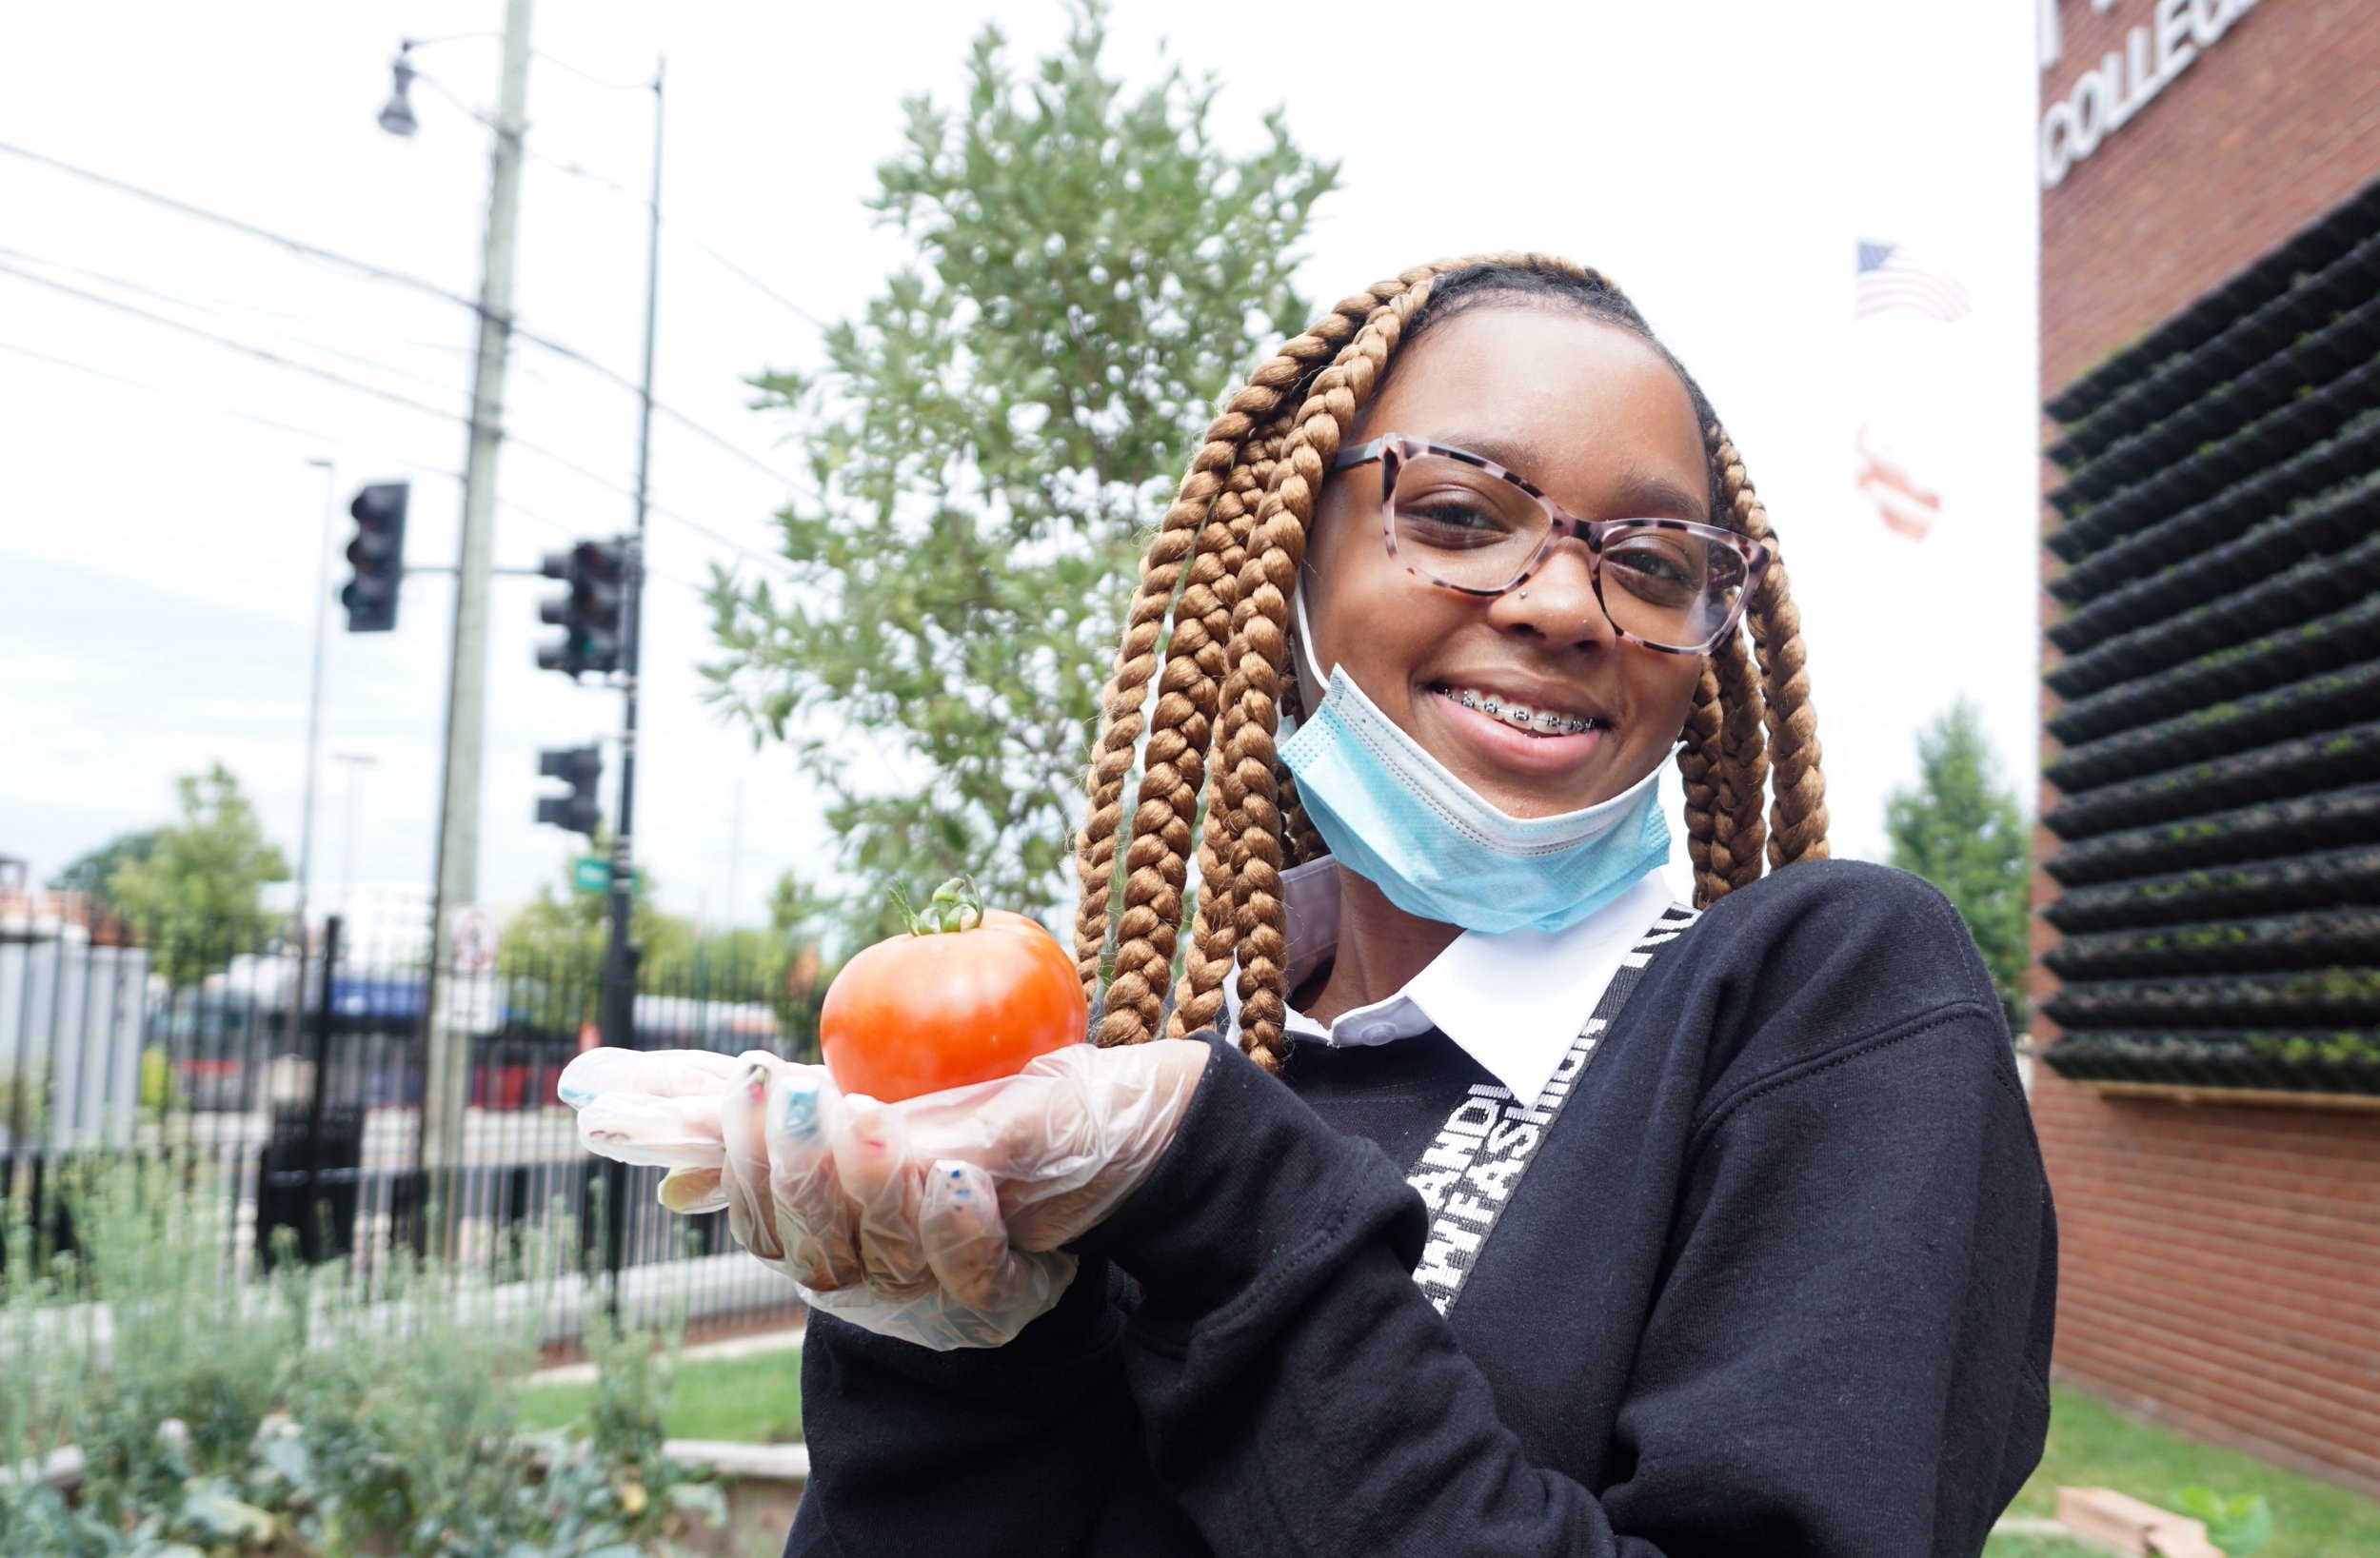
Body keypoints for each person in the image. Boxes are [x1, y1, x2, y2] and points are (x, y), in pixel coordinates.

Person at [565, 254, 2056, 1557]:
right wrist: (954, 1357)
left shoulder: (1826, 1002)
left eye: (1654, 562)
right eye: (1464, 515)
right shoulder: (1126, 1072)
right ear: (1286, 576)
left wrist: (1223, 1192)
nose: (1558, 602)